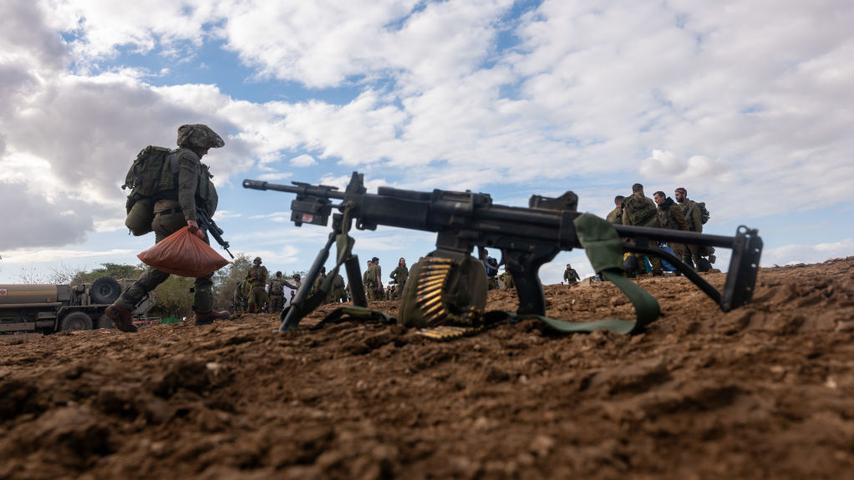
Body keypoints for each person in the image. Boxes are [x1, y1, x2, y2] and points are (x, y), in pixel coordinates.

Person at [105, 124, 229, 332]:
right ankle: (204, 312)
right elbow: (186, 190)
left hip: (162, 216)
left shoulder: (170, 158)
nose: (207, 150)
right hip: (181, 217)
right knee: (205, 266)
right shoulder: (188, 157)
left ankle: (122, 306)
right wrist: (191, 220)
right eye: (206, 145)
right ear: (197, 141)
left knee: (160, 268)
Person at [622, 183, 662, 275]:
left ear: (633, 190)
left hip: (637, 233)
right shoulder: (649, 201)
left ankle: (643, 273)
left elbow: (626, 221)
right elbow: (657, 217)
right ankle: (657, 271)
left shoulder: (628, 203)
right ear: (642, 189)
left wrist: (628, 235)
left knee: (639, 254)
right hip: (650, 231)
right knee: (653, 252)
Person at [653, 191, 689, 262]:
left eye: (657, 198)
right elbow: (658, 224)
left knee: (677, 256)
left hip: (676, 236)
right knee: (670, 257)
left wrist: (686, 236)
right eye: (655, 199)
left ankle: (678, 271)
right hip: (666, 237)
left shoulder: (673, 207)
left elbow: (682, 223)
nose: (655, 200)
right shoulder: (658, 209)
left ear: (663, 197)